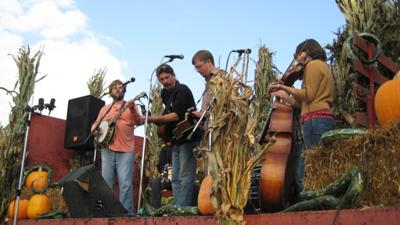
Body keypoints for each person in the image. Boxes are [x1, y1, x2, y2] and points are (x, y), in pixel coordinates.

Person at [269, 38, 336, 195]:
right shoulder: (322, 66)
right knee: (313, 166)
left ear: (309, 50)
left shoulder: (312, 65)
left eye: (299, 53)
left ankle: (311, 204)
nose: (298, 58)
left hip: (315, 120)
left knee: (305, 170)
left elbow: (308, 94)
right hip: (318, 118)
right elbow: (303, 104)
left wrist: (283, 86)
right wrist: (284, 95)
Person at [146, 64, 201, 206]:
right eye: (161, 79)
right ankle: (178, 207)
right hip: (176, 140)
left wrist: (152, 119)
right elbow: (167, 112)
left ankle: (183, 209)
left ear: (174, 75)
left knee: (184, 176)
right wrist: (156, 120)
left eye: (167, 77)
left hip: (188, 138)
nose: (164, 81)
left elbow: (176, 115)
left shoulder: (182, 90)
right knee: (175, 178)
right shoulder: (165, 94)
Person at [91, 79, 142, 215]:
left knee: (125, 183)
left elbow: (139, 121)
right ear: (110, 92)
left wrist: (132, 109)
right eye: (115, 88)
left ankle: (126, 213)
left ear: (124, 90)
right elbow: (96, 123)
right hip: (107, 148)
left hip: (125, 150)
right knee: (107, 183)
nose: (118, 89)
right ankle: (108, 211)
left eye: (120, 87)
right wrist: (95, 129)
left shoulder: (130, 106)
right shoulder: (105, 108)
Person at [191, 50, 226, 119]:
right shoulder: (208, 81)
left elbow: (221, 105)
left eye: (199, 66)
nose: (198, 70)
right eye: (196, 68)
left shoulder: (221, 77)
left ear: (209, 62)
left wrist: (202, 115)